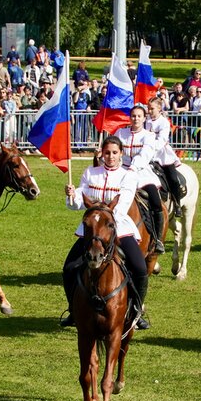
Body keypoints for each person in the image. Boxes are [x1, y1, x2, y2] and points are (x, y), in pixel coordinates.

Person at [61, 136, 150, 330]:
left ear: (121, 154)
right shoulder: (91, 173)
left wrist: (105, 218)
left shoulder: (128, 175)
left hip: (119, 229)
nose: (110, 157)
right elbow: (78, 202)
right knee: (69, 268)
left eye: (115, 153)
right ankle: (73, 310)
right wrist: (72, 195)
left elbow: (124, 203)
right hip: (92, 231)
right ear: (102, 153)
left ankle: (136, 311)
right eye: (107, 152)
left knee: (140, 268)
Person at [114, 105, 166, 253]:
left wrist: (134, 168)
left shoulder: (148, 135)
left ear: (144, 118)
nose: (135, 118)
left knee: (155, 200)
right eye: (133, 116)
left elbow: (145, 154)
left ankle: (157, 240)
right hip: (121, 171)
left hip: (142, 172)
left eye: (139, 116)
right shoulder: (121, 133)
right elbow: (113, 148)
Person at [146, 96, 184, 216]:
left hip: (162, 154)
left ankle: (177, 204)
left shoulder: (164, 122)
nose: (149, 111)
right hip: (146, 153)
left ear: (159, 108)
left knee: (172, 179)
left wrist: (150, 148)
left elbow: (162, 140)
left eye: (152, 109)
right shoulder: (145, 121)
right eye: (148, 108)